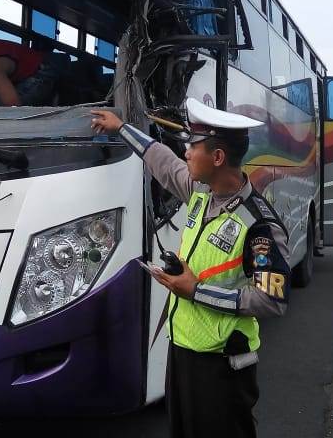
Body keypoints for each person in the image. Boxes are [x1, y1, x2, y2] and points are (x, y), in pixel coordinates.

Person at [91, 99, 290, 438]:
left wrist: (196, 291)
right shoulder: (201, 193)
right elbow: (161, 161)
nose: (185, 153)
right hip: (183, 351)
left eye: (192, 147)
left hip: (223, 365)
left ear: (217, 157)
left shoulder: (259, 226)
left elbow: (272, 300)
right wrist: (122, 128)